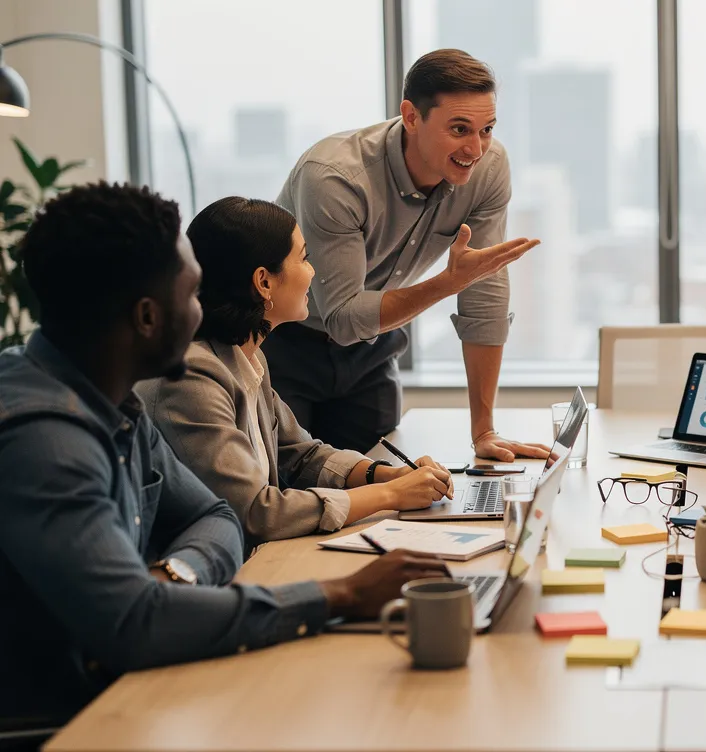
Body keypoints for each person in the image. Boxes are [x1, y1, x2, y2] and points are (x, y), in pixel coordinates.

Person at [0, 183, 448, 723]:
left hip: (132, 684)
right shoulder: (46, 440)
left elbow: (216, 515)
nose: (203, 313)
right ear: (146, 317)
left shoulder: (110, 398)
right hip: (70, 720)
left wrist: (175, 576)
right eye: (191, 296)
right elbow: (137, 622)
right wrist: (341, 596)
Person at [267, 48, 545, 458]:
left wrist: (484, 432)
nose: (476, 149)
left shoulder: (488, 168)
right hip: (284, 341)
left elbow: (482, 295)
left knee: (381, 485)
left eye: (486, 129)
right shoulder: (336, 177)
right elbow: (342, 317)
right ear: (412, 117)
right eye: (459, 129)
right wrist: (449, 282)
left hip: (373, 344)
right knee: (293, 488)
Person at [139, 197, 458, 551]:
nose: (313, 271)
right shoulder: (191, 378)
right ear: (264, 282)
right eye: (304, 258)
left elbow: (300, 454)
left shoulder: (245, 356)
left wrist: (389, 474)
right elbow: (254, 513)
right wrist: (388, 494)